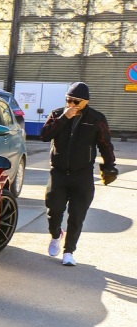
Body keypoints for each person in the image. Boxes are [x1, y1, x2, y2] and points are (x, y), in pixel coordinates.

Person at [40, 81, 119, 266]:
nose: (72, 105)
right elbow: (44, 135)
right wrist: (64, 118)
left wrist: (110, 166)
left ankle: (69, 251)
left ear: (86, 102)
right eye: (69, 100)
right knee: (54, 209)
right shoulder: (58, 114)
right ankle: (56, 234)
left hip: (82, 175)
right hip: (58, 173)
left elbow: (105, 144)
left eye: (77, 102)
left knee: (77, 215)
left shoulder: (96, 118)